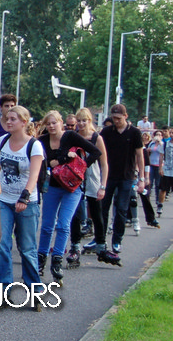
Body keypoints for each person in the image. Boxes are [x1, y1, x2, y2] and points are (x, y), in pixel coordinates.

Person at [37, 110, 101, 284]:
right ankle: (41, 260)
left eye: (54, 123)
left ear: (61, 122)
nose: (51, 126)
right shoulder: (42, 141)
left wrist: (81, 166)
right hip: (52, 186)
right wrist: (56, 160)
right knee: (47, 225)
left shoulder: (71, 136)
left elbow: (95, 152)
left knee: (64, 224)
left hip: (72, 187)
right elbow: (40, 161)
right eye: (48, 123)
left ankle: (57, 260)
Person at [0, 105, 44, 305]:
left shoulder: (34, 146)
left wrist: (24, 197)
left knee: (27, 247)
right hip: (4, 199)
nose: (8, 122)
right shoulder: (2, 141)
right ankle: (2, 287)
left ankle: (35, 288)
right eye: (7, 118)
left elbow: (34, 175)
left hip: (27, 202)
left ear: (24, 122)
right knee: (2, 244)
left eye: (13, 119)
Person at [99, 104, 145, 255]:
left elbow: (139, 155)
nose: (116, 121)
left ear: (126, 116)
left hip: (126, 176)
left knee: (121, 208)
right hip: (109, 175)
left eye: (119, 118)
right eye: (114, 118)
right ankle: (101, 239)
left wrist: (142, 177)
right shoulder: (107, 132)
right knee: (103, 207)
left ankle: (117, 240)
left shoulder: (134, 133)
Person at [73, 108, 110, 266]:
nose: (81, 124)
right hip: (76, 178)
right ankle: (75, 245)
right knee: (75, 214)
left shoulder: (96, 138)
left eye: (84, 120)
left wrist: (103, 185)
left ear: (89, 121)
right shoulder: (74, 136)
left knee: (96, 212)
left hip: (93, 178)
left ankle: (101, 245)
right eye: (79, 121)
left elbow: (104, 164)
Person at [147, 129, 165, 207]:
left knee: (158, 183)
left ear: (162, 136)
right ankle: (147, 198)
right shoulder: (152, 143)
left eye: (160, 135)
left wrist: (159, 142)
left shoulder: (163, 144)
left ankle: (158, 199)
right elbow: (147, 152)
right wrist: (148, 150)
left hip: (159, 165)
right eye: (157, 134)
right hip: (151, 164)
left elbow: (162, 154)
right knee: (149, 182)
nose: (158, 136)